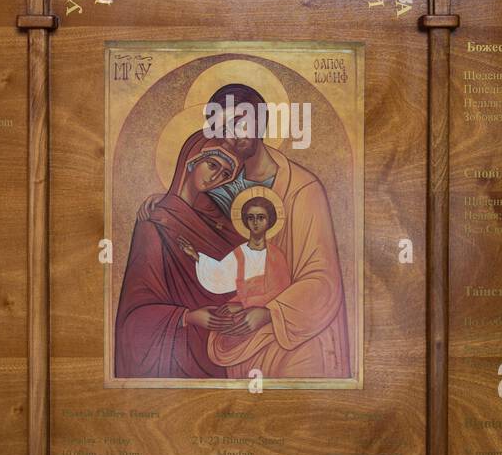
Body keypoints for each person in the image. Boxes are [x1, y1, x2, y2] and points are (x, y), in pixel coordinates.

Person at [139, 82, 352, 379]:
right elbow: (193, 213)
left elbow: (323, 279)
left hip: (292, 341)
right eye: (220, 127)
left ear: (261, 122)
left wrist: (270, 313)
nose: (230, 134)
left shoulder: (302, 190)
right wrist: (163, 203)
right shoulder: (218, 181)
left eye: (239, 123)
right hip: (235, 333)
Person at [113, 130, 243, 378]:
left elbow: (248, 266)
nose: (216, 177)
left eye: (225, 174)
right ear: (191, 161)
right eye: (212, 164)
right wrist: (188, 317)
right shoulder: (154, 222)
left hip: (221, 342)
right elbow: (136, 308)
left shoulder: (222, 222)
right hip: (178, 341)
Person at [177, 194, 292, 311]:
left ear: (269, 221)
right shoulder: (240, 253)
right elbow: (219, 275)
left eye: (261, 217)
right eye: (251, 218)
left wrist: (245, 304)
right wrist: (195, 255)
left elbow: (282, 290)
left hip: (266, 311)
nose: (256, 222)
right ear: (246, 221)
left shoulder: (276, 255)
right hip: (241, 308)